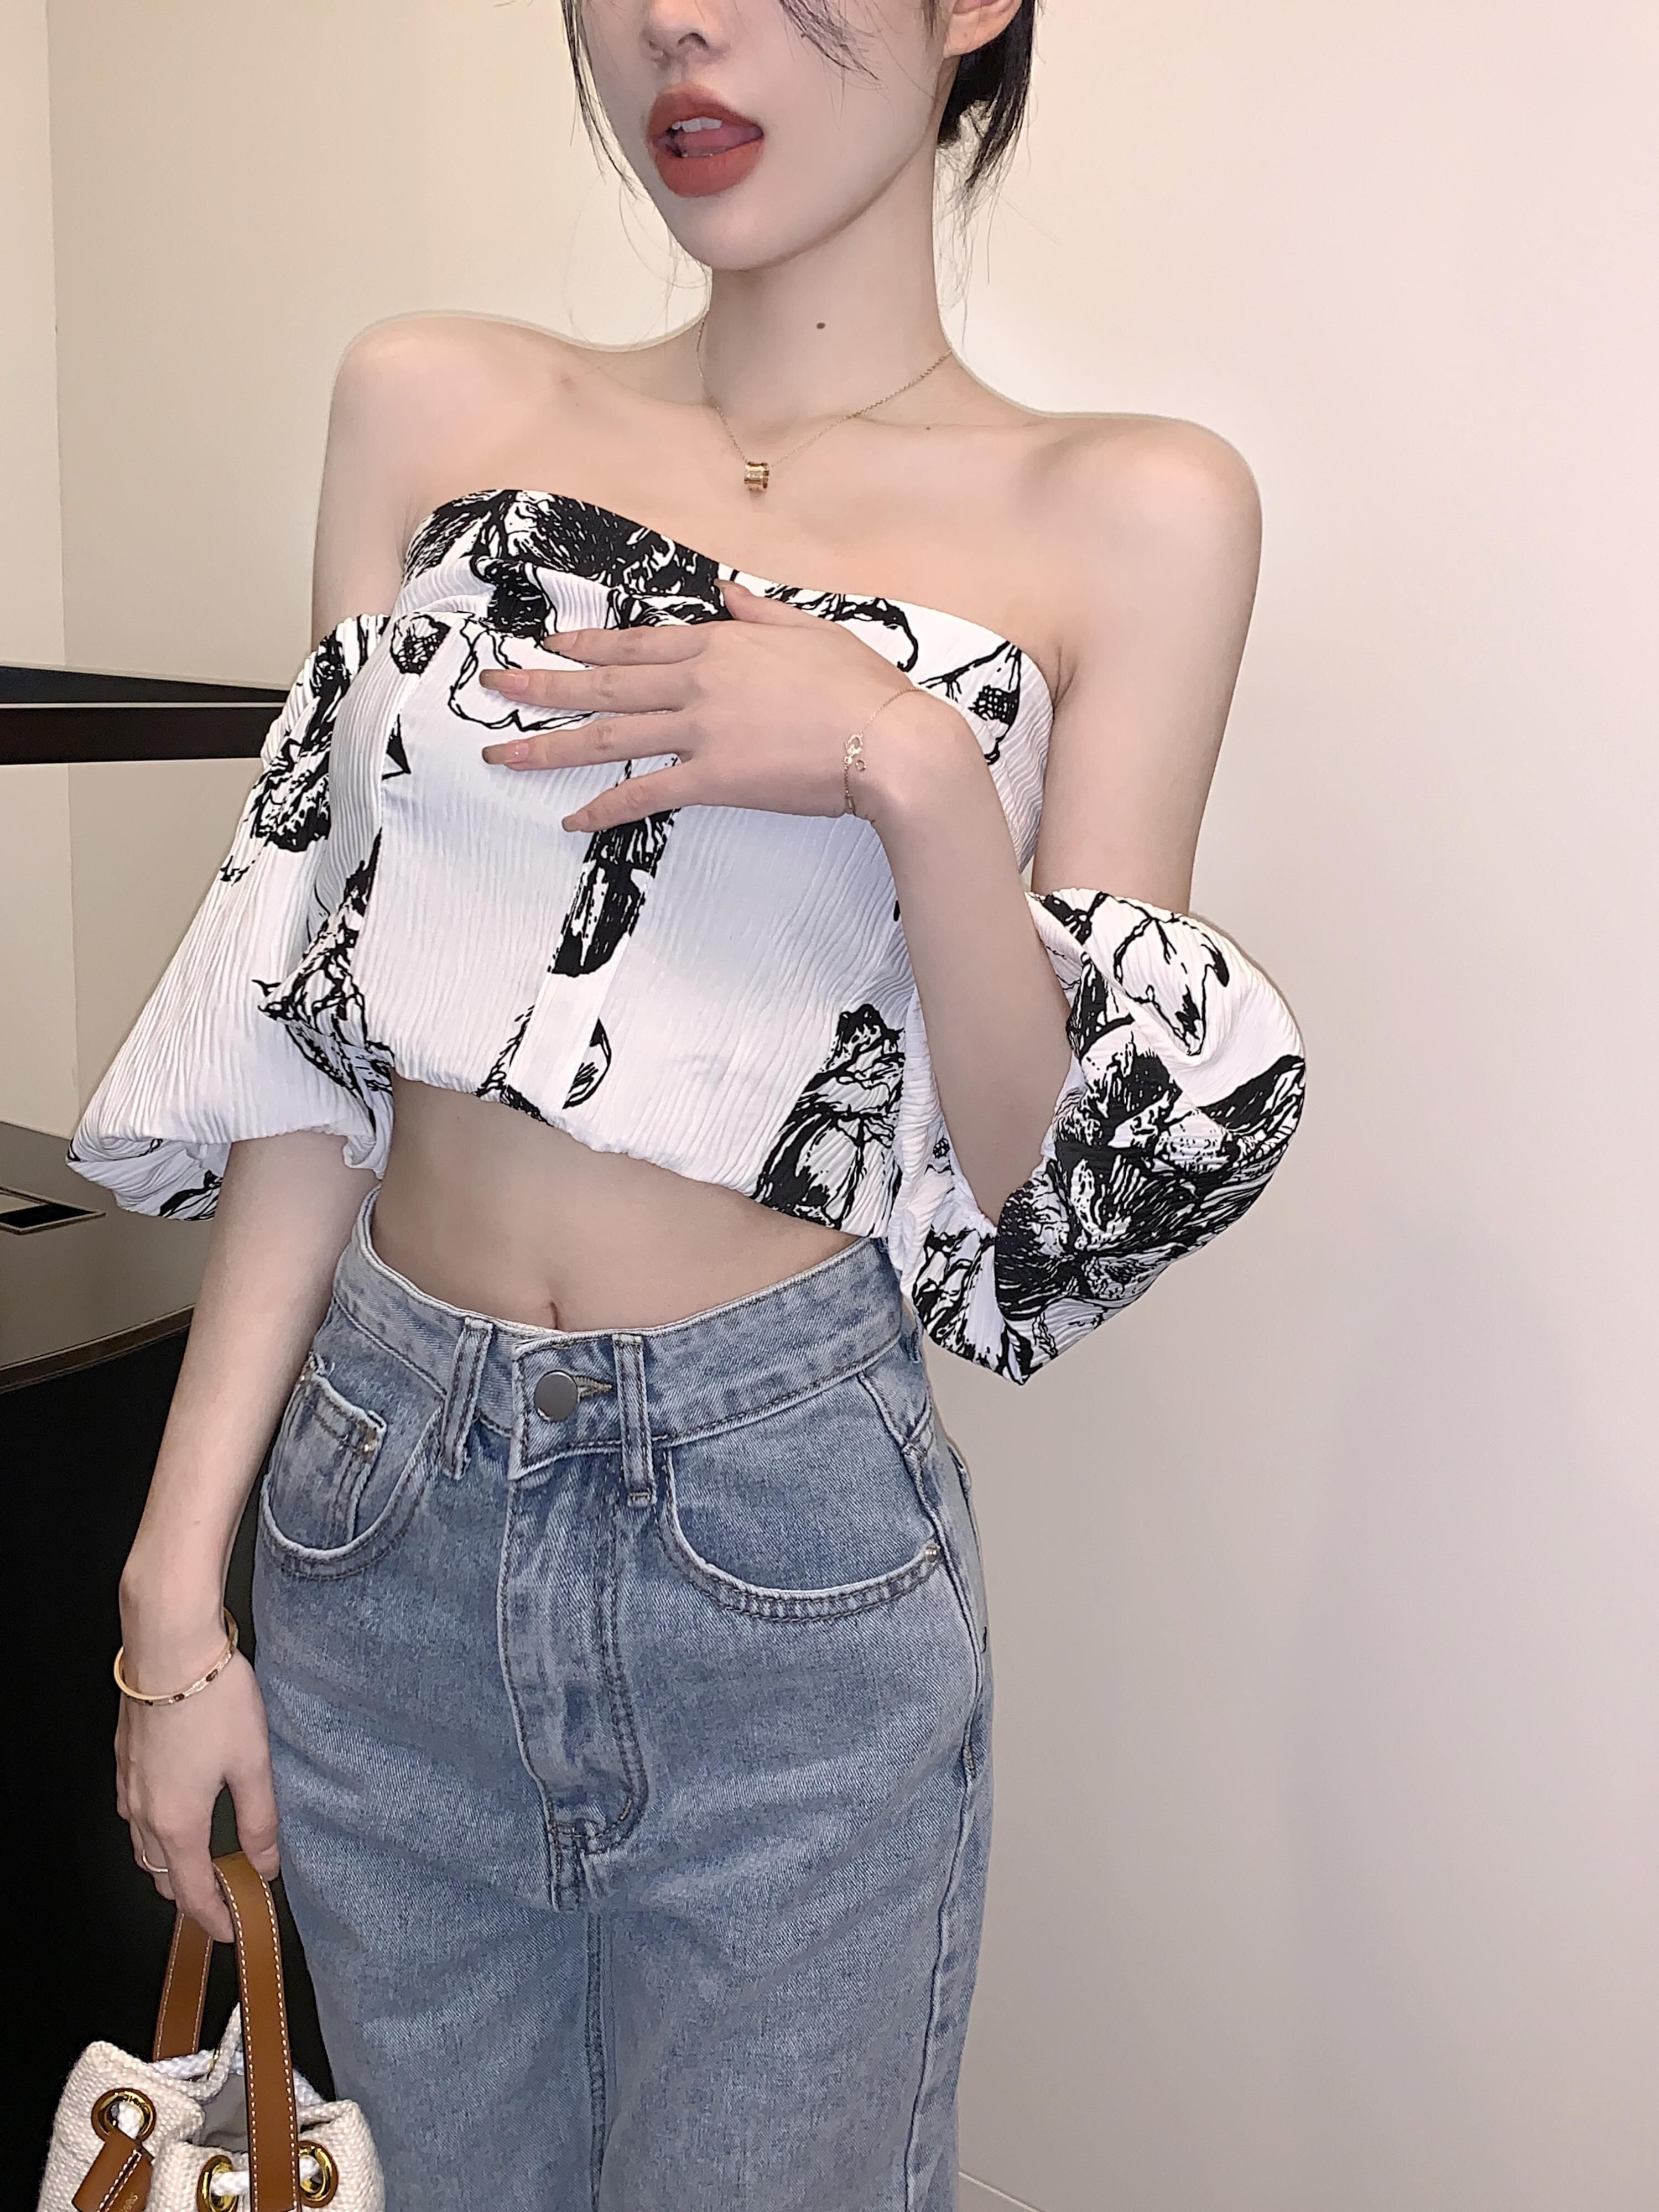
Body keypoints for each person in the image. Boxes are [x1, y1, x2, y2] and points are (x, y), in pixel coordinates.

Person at [70, 1, 1306, 2204]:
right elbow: (317, 1029)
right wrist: (176, 1598)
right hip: (379, 1509)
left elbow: (1040, 1196)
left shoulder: (1133, 512)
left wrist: (910, 765)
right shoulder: (431, 405)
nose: (678, 24)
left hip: (781, 1543)